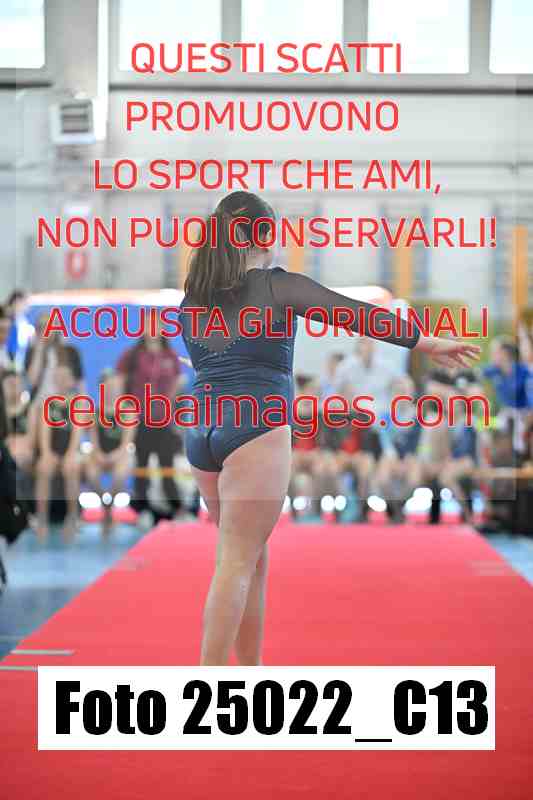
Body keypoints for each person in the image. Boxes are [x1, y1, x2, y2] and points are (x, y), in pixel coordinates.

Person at [179, 190, 480, 666]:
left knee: (247, 556)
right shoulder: (277, 286)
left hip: (202, 429)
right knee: (236, 560)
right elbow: (353, 312)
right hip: (254, 425)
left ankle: (249, 673)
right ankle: (207, 682)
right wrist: (426, 343)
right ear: (265, 237)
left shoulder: (193, 298)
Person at [116, 317, 186, 523]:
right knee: (142, 464)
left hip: (164, 420)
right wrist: (124, 409)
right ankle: (142, 509)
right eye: (149, 324)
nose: (153, 328)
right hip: (140, 419)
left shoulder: (170, 355)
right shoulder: (133, 355)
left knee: (167, 464)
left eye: (157, 325)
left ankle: (176, 509)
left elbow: (177, 384)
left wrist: (175, 413)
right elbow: (120, 381)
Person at [34, 362, 83, 541]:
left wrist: (69, 455)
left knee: (71, 467)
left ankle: (72, 516)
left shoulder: (79, 403)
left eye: (65, 378)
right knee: (43, 467)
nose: (61, 381)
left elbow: (77, 433)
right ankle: (41, 518)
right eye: (58, 378)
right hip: (52, 451)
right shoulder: (49, 403)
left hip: (71, 450)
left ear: (72, 381)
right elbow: (44, 432)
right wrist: (47, 453)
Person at [85, 369, 137, 534]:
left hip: (120, 454)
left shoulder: (128, 411)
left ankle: (110, 505)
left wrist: (115, 456)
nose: (112, 390)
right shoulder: (95, 412)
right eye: (108, 387)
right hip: (100, 454)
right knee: (91, 474)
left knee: (120, 474)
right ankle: (104, 502)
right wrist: (99, 455)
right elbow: (93, 441)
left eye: (115, 387)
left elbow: (127, 442)